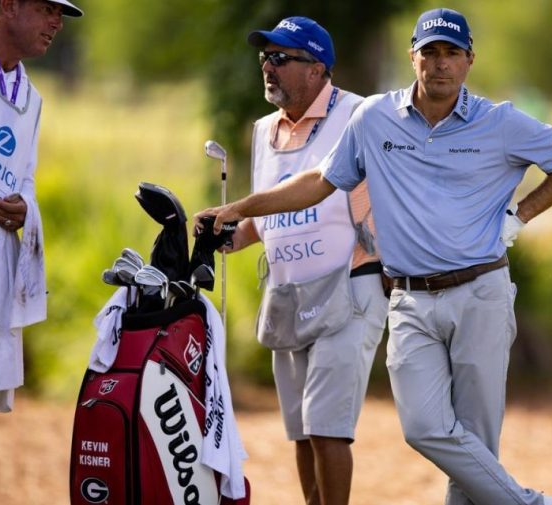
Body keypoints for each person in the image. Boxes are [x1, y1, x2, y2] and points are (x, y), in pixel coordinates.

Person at [196, 8, 552, 505]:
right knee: (425, 428)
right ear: (413, 57)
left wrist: (521, 215)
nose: (440, 64)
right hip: (409, 299)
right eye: (430, 53)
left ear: (470, 60)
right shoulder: (375, 117)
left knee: (474, 438)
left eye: (452, 53)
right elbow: (319, 183)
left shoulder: (501, 121)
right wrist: (240, 208)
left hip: (481, 293)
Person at [219, 16, 388, 505]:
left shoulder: (359, 115)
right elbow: (265, 216)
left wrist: (241, 210)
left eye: (281, 58)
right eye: (265, 58)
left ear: (317, 68)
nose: (268, 69)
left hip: (352, 283)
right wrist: (227, 236)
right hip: (289, 293)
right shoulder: (262, 130)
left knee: (327, 427)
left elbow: (320, 185)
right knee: (300, 430)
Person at [0, 0, 83, 413]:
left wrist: (27, 209)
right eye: (48, 9)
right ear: (9, 5)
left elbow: (25, 175)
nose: (57, 23)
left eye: (61, 14)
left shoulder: (32, 99)